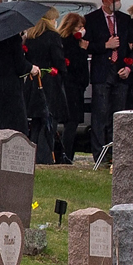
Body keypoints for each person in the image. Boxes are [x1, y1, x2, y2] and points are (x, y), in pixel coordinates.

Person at [83, 0, 128, 155]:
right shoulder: (92, 19)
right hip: (102, 72)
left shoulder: (124, 20)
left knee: (117, 116)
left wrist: (127, 66)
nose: (117, 2)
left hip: (120, 73)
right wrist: (105, 45)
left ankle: (114, 153)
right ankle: (98, 153)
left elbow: (129, 46)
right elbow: (87, 46)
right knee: (100, 114)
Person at [24, 8, 69, 163]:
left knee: (36, 123)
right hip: (50, 83)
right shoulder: (53, 37)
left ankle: (32, 155)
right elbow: (58, 61)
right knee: (49, 122)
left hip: (33, 82)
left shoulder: (30, 37)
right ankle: (44, 157)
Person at [59, 11, 89, 159]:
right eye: (78, 27)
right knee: (71, 123)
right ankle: (66, 154)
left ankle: (67, 153)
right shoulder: (68, 43)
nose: (81, 30)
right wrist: (82, 51)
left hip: (76, 87)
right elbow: (76, 64)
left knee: (72, 123)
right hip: (71, 87)